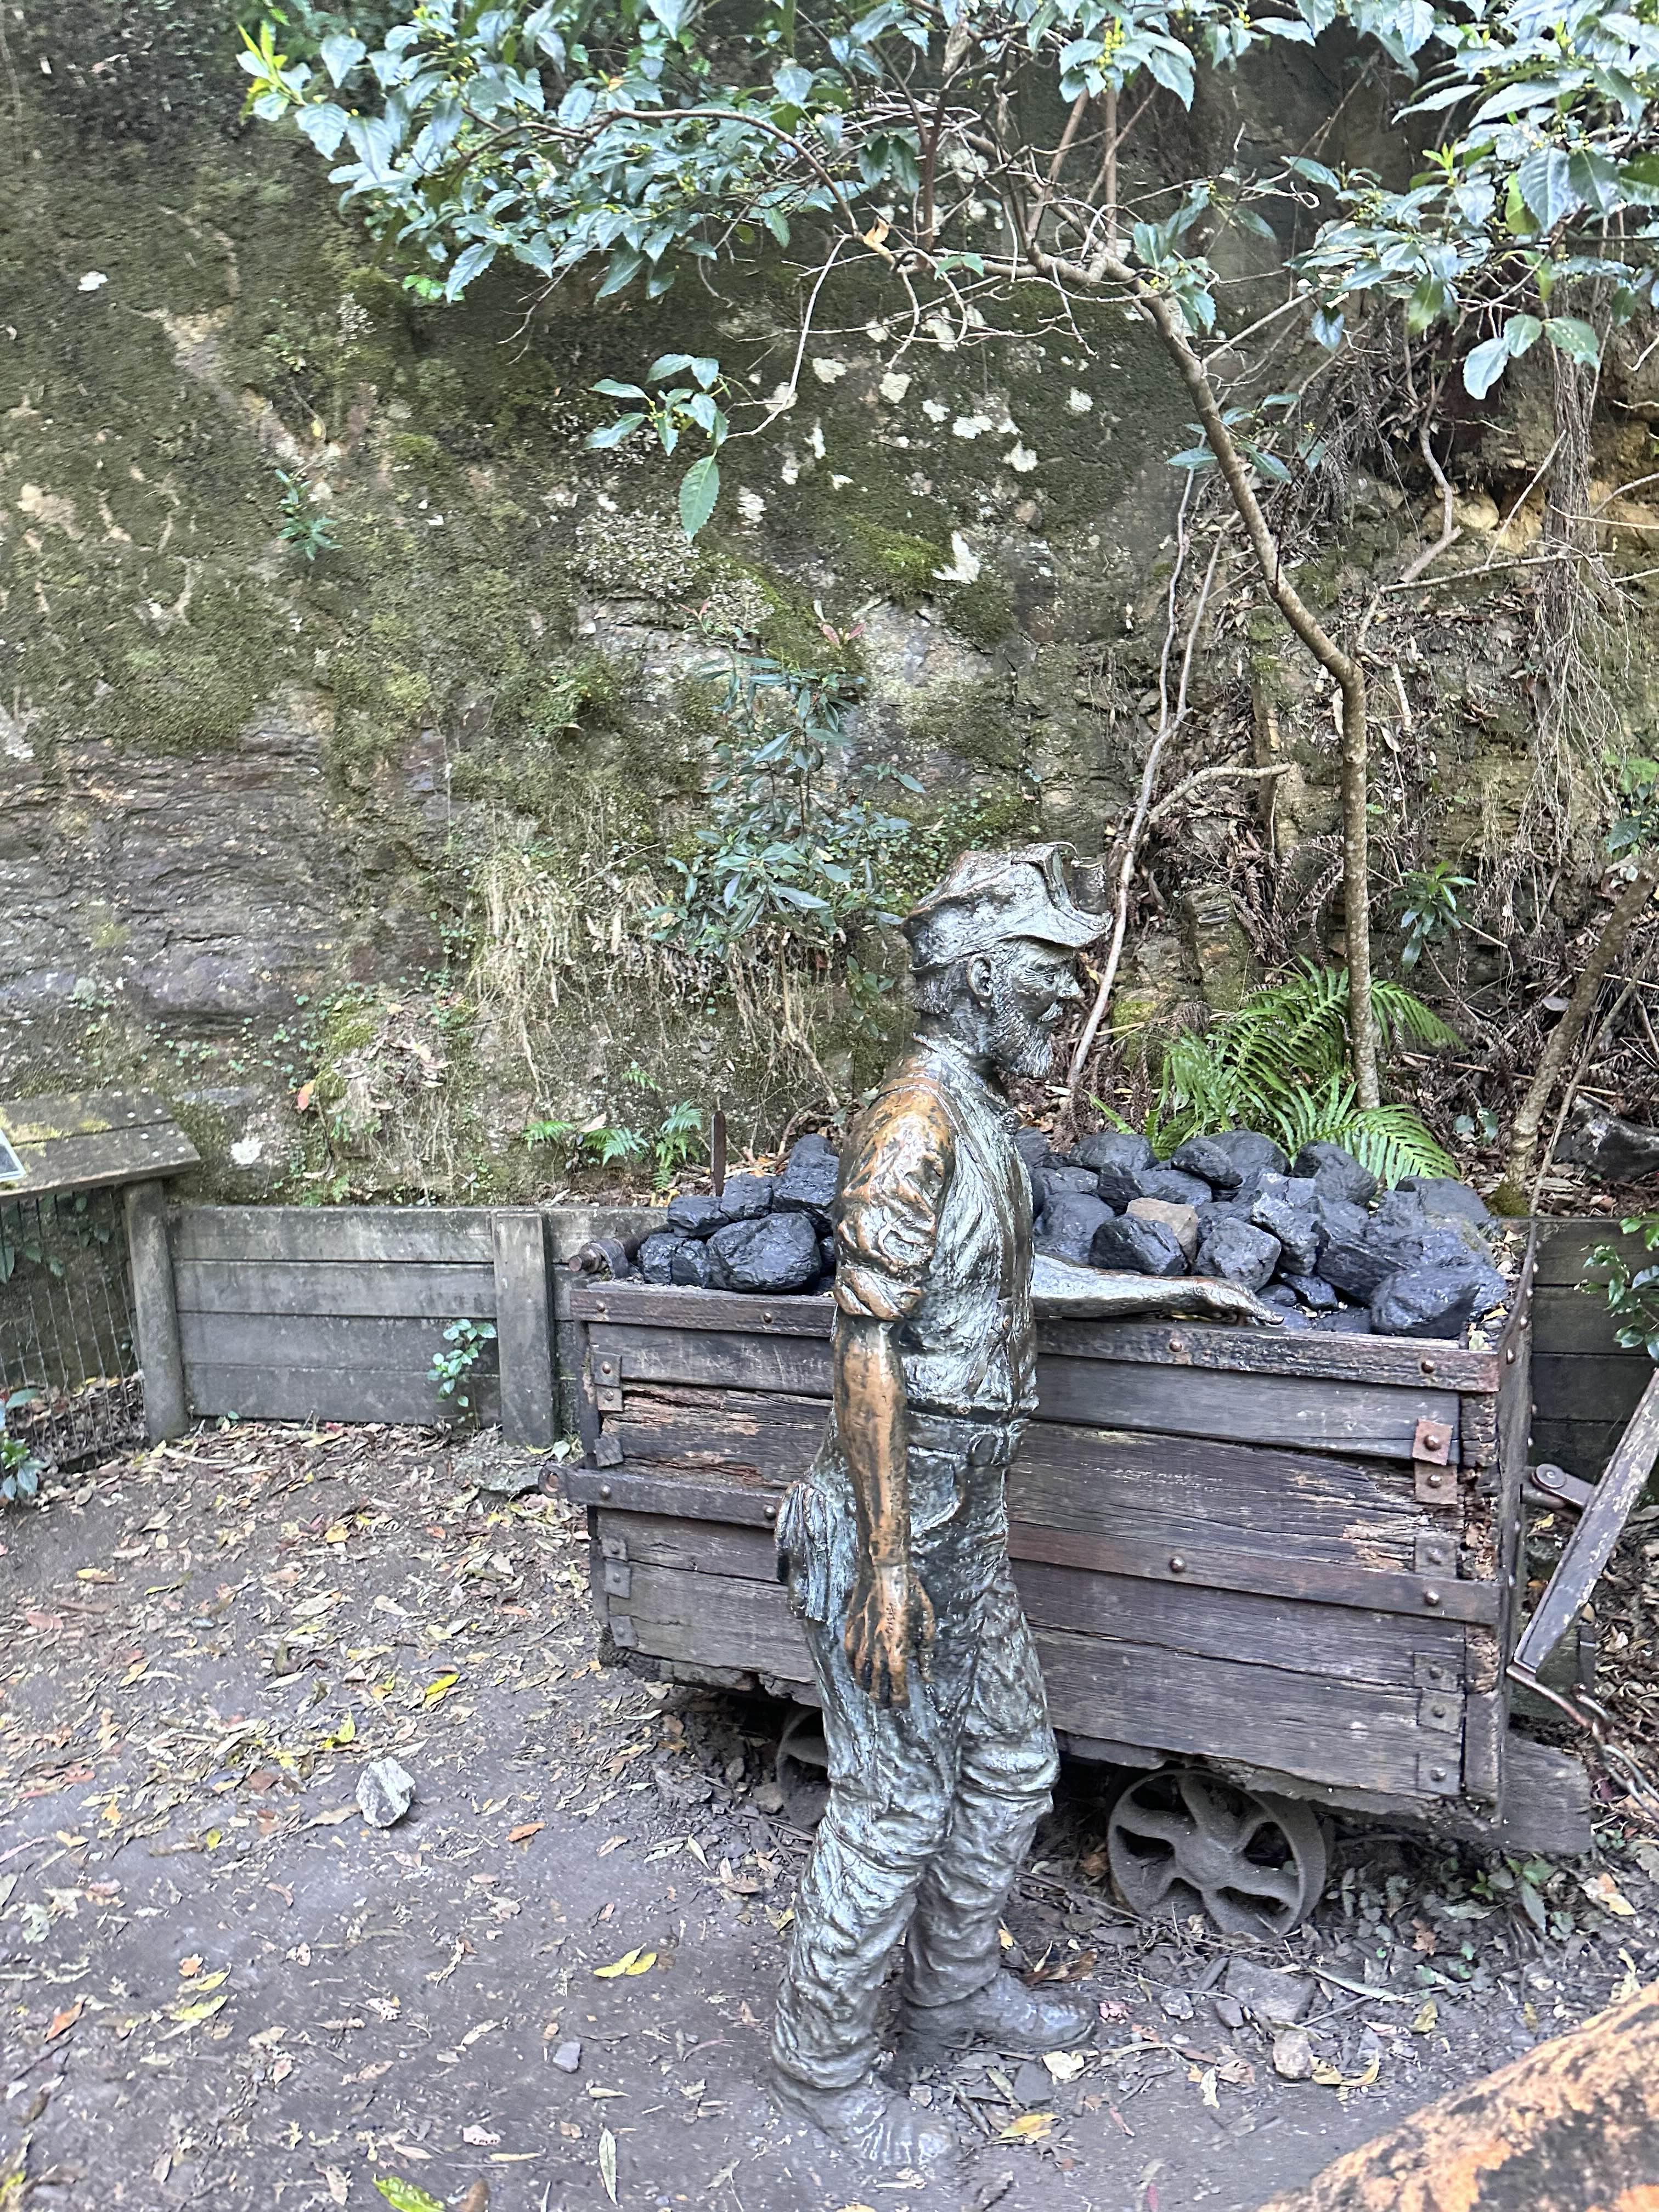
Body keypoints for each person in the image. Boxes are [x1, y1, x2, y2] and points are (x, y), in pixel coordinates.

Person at [770, 844, 1277, 2170]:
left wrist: (1171, 1290)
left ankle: (949, 1999)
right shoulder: (914, 1122)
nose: (1068, 1002)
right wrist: (887, 1565)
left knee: (1008, 1763)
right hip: (893, 1526)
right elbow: (865, 1345)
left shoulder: (979, 1118)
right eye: (1050, 977)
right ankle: (823, 2073)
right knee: (894, 1803)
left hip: (966, 1519)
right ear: (985, 976)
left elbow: (1000, 1285)